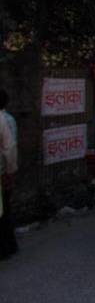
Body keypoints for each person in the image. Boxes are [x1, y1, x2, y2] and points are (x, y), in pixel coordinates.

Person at [0, 89, 18, 259]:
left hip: (3, 172)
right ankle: (9, 245)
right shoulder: (8, 119)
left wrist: (8, 171)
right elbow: (11, 147)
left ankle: (6, 246)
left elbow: (9, 148)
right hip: (4, 171)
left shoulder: (3, 120)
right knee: (5, 208)